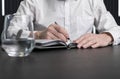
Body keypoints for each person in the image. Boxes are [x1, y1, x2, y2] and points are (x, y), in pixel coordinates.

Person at [8, 0, 120, 48]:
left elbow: (116, 29)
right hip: (42, 64)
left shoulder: (93, 1)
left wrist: (107, 36)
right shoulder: (31, 1)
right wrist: (38, 35)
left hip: (85, 63)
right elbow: (10, 33)